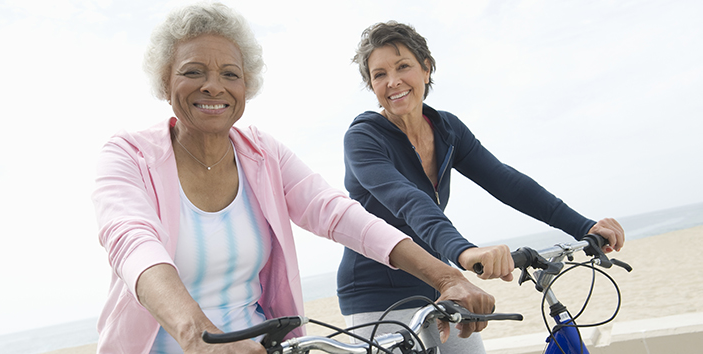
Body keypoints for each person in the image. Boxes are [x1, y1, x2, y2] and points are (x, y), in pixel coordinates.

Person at [92, 4, 497, 354]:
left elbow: (339, 215)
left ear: (246, 86)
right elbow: (133, 244)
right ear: (166, 81)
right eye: (193, 71)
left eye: (230, 74)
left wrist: (448, 277)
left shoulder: (263, 154)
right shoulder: (129, 155)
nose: (213, 85)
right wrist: (197, 335)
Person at [338, 21, 626, 354]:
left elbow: (505, 181)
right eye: (379, 74)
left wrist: (584, 226)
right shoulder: (363, 139)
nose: (393, 82)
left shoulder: (447, 129)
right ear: (371, 85)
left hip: (442, 286)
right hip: (379, 295)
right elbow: (409, 201)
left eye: (403, 66)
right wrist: (464, 252)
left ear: (426, 69)